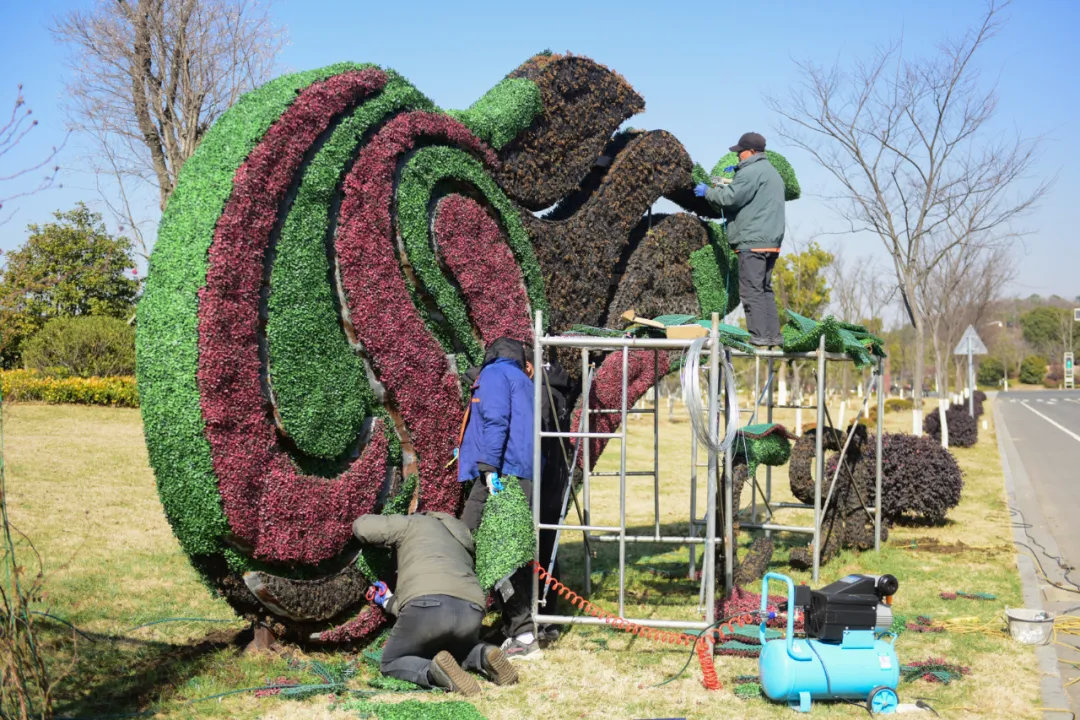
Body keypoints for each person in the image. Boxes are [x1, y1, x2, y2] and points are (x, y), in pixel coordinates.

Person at [352, 512, 518, 695]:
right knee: (458, 653)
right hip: (472, 608)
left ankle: (433, 673)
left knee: (392, 661)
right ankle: (484, 654)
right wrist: (390, 601)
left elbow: (363, 528)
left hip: (426, 605)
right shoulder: (462, 535)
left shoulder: (412, 523)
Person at [457, 336, 541, 660]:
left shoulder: (494, 375)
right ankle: (514, 629)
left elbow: (495, 421)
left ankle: (522, 633)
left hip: (500, 475)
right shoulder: (521, 379)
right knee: (507, 551)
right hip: (520, 473)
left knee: (476, 543)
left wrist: (489, 468)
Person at [694, 131, 786, 347]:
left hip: (752, 241)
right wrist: (736, 172)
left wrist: (708, 191)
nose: (738, 156)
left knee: (751, 290)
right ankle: (773, 335)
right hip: (771, 241)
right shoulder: (770, 171)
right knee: (764, 288)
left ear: (752, 152)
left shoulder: (751, 172)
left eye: (740, 153)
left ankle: (759, 336)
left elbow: (729, 198)